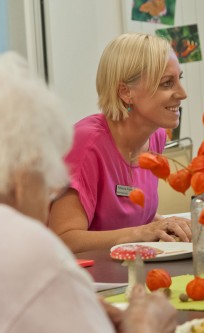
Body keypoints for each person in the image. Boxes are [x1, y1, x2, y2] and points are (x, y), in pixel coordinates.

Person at [0, 51, 177, 333]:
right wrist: (147, 327)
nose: (55, 187)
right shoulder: (26, 247)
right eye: (47, 170)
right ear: (23, 174)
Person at [49, 33, 192, 253]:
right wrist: (141, 233)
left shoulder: (156, 136)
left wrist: (166, 225)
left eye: (180, 79)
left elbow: (127, 214)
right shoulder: (86, 144)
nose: (182, 94)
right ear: (125, 92)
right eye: (167, 83)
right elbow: (64, 239)